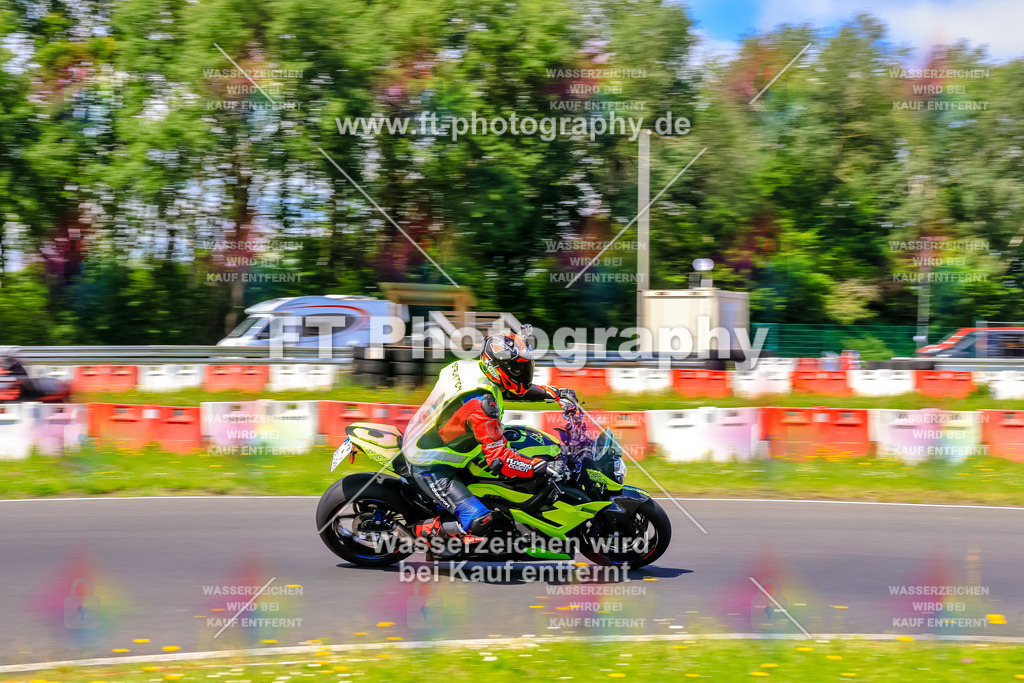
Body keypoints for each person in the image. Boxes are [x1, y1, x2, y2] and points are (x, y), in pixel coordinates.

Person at [401, 332, 577, 544]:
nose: (524, 372)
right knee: (480, 521)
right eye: (517, 368)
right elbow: (499, 461)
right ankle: (418, 533)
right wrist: (540, 467)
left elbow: (514, 386)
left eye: (525, 366)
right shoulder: (482, 406)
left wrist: (553, 393)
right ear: (497, 367)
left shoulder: (470, 367)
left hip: (443, 438)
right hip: (432, 464)